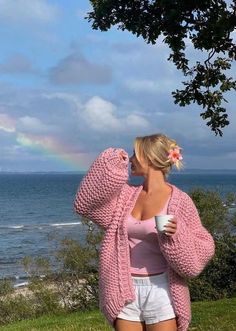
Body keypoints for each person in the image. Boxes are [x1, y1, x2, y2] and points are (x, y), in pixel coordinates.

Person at [74, 133, 215, 331]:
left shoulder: (181, 201)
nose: (131, 159)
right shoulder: (124, 196)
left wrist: (177, 234)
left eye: (135, 154)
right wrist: (114, 160)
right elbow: (85, 203)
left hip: (163, 290)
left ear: (149, 158)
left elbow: (200, 252)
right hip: (123, 287)